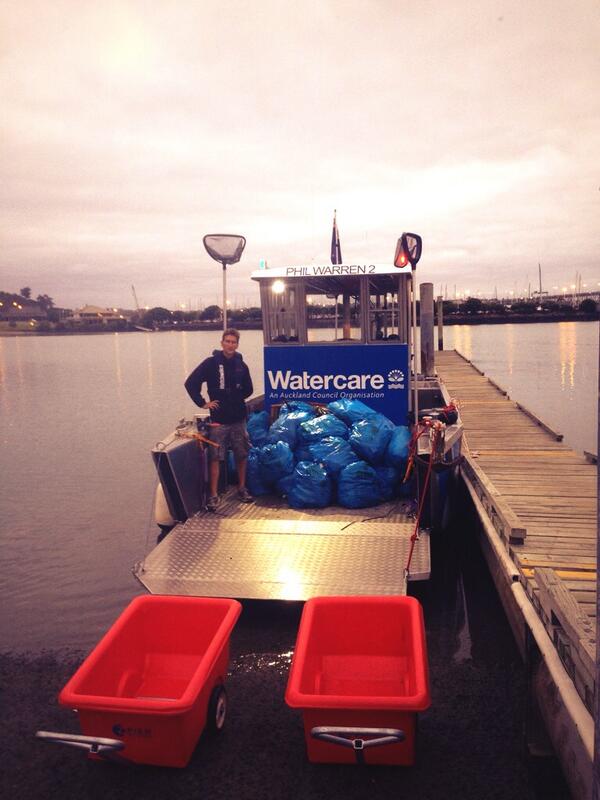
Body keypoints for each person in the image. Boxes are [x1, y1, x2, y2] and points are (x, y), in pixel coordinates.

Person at [185, 328, 254, 511]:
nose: (230, 345)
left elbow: (249, 390)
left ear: (237, 345)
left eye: (234, 342)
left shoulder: (242, 365)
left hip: (238, 418)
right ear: (222, 342)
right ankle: (213, 495)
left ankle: (242, 488)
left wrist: (236, 396)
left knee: (241, 454)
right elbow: (191, 383)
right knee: (215, 457)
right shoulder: (210, 363)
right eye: (228, 341)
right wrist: (203, 403)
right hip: (218, 420)